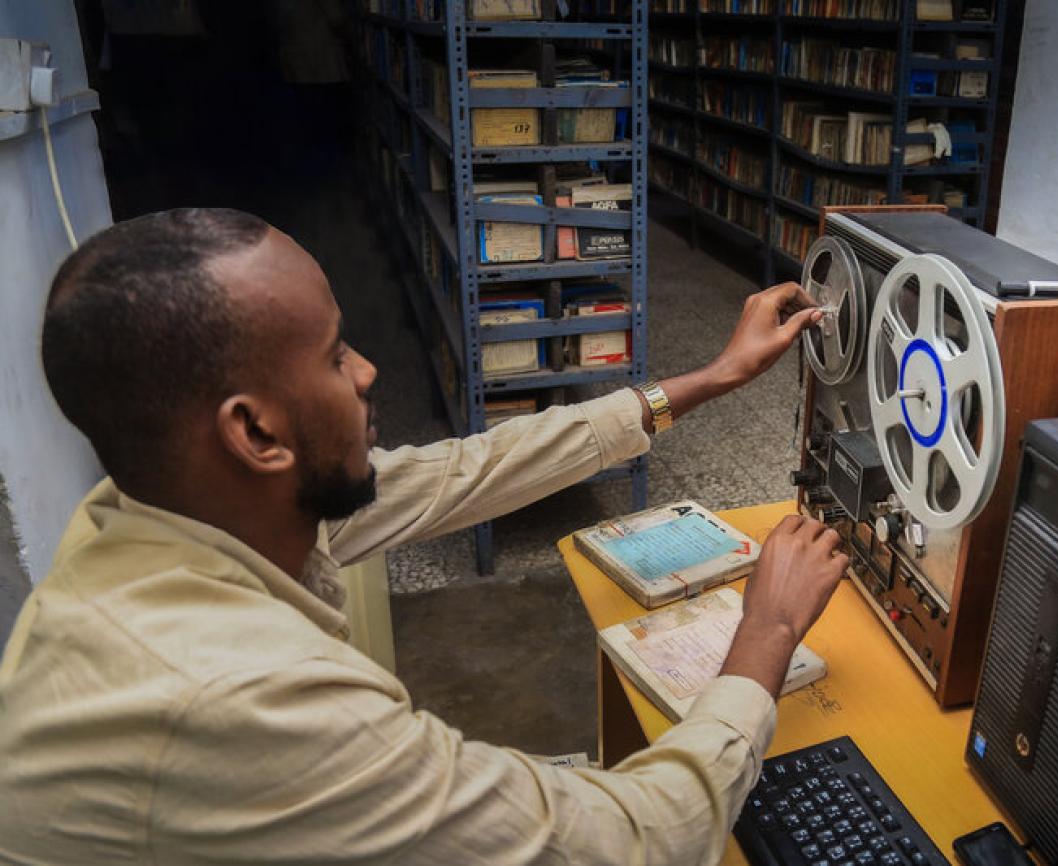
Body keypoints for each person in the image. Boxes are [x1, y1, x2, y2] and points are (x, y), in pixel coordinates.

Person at [0, 208, 849, 864]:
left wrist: (709, 379)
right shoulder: (246, 699)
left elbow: (467, 471)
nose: (368, 372)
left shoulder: (158, 506)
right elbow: (638, 843)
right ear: (255, 434)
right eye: (336, 357)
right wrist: (767, 629)